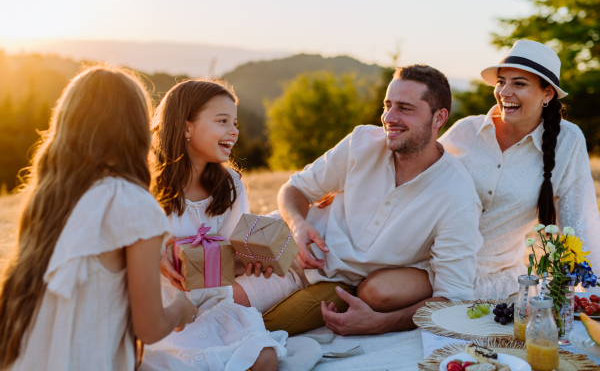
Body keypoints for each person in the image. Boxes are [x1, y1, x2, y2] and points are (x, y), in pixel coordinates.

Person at [233, 64, 485, 335]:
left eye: (405, 108)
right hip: (286, 238)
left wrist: (381, 323)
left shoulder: (458, 197)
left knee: (231, 314)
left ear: (439, 118)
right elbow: (295, 188)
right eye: (387, 105)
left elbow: (453, 299)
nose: (389, 117)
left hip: (324, 277)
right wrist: (297, 225)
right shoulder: (362, 141)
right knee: (202, 274)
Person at [0, 66, 198, 370]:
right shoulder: (131, 201)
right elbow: (151, 327)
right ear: (136, 132)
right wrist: (181, 309)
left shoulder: (53, 198)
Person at [440, 40, 600, 299]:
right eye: (501, 81)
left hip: (494, 282)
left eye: (519, 83)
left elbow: (580, 225)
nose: (504, 91)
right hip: (434, 266)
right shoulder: (466, 131)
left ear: (547, 94)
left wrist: (593, 297)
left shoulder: (567, 142)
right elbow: (419, 185)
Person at [145, 79, 284, 371]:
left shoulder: (230, 184)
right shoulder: (148, 184)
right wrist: (154, 258)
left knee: (264, 358)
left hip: (214, 304)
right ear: (186, 127)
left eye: (234, 122)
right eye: (222, 121)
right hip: (163, 310)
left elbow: (231, 254)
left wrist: (251, 260)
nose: (233, 131)